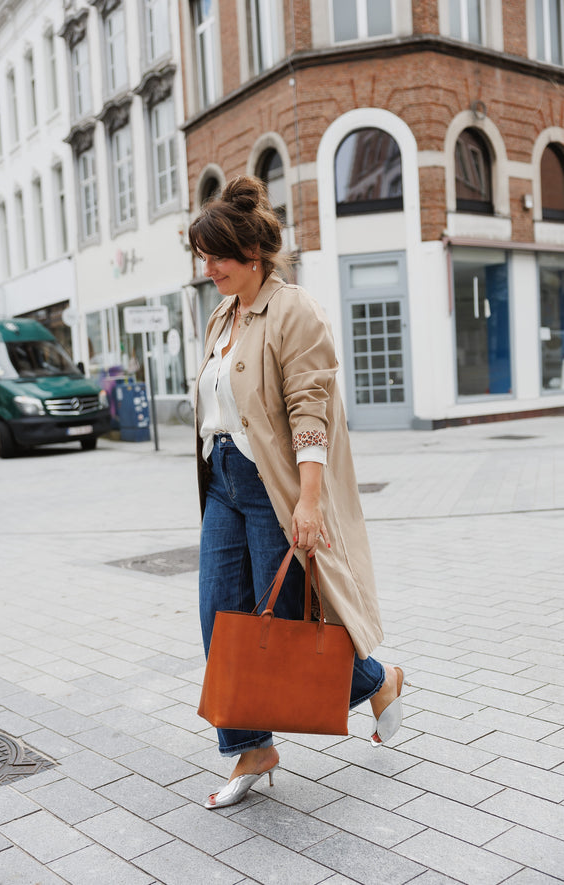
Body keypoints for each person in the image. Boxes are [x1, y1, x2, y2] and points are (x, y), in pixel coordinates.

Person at [190, 175, 404, 810]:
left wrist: (309, 501)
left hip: (272, 486)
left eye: (217, 256)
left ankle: (376, 680)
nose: (209, 269)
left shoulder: (293, 310)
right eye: (203, 257)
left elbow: (310, 410)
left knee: (281, 620)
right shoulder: (222, 314)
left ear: (251, 253)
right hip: (224, 481)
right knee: (219, 619)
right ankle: (252, 749)